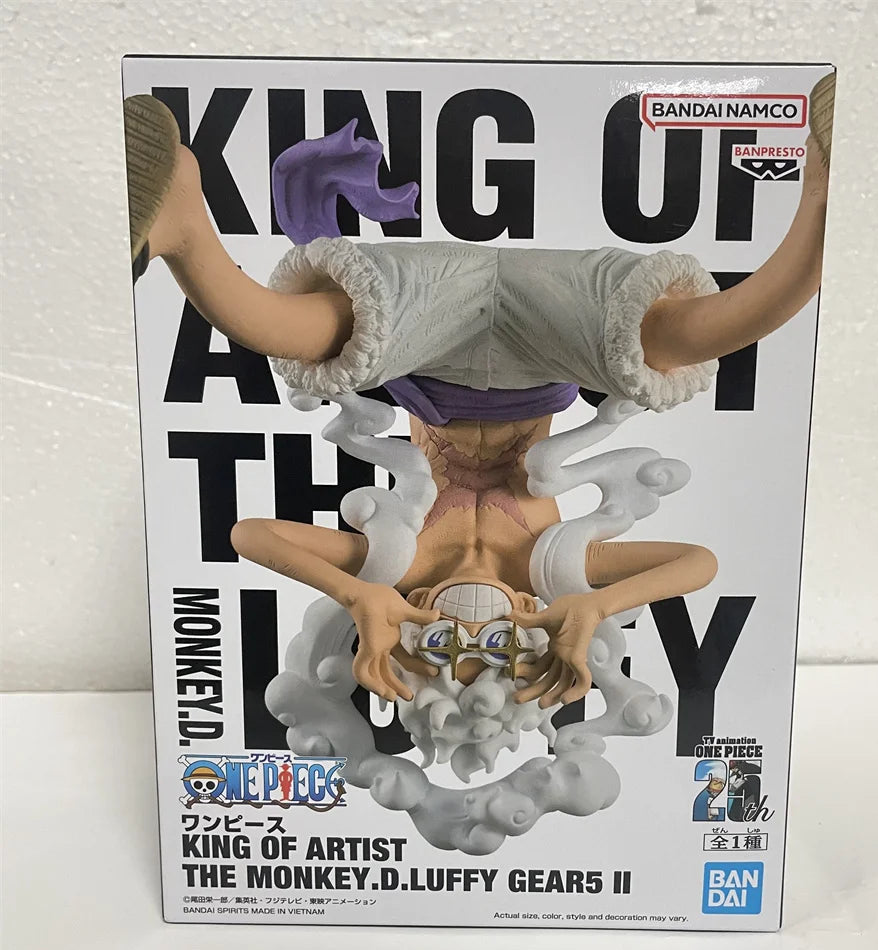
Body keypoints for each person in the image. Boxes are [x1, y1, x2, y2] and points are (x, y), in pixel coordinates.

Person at [123, 74, 833, 709]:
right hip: (550, 347)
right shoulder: (553, 566)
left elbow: (252, 535)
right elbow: (698, 564)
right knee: (679, 339)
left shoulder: (399, 562)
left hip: (424, 344)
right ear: (531, 625)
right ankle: (827, 192)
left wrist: (358, 593)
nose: (468, 635)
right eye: (494, 651)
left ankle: (180, 212)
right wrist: (594, 607)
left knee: (287, 330)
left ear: (413, 627)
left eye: (442, 652)